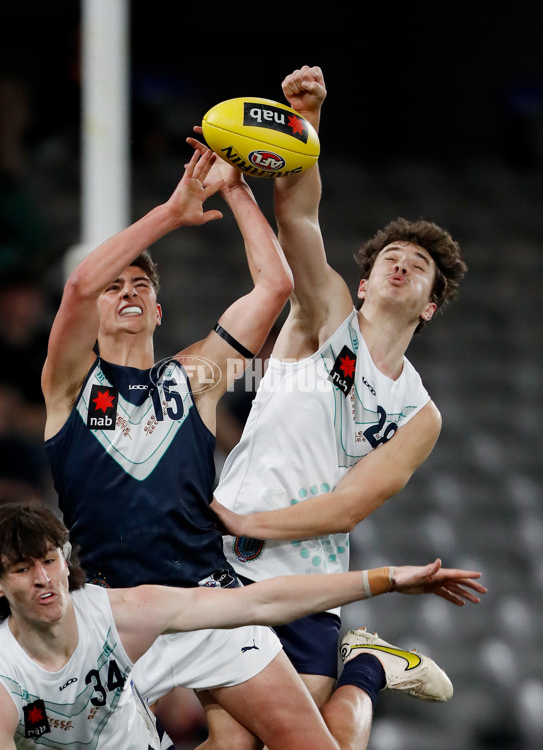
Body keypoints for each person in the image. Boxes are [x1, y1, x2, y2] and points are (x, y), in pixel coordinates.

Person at [43, 143, 345, 750]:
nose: (126, 292)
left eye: (140, 286)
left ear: (158, 310)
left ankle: (366, 670)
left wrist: (235, 188)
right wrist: (174, 211)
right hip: (114, 615)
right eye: (115, 287)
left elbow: (276, 284)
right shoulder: (69, 385)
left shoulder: (195, 379)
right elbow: (78, 285)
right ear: (97, 308)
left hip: (209, 600)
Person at [210, 65, 469, 749]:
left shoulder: (421, 415)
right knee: (235, 743)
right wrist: (305, 126)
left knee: (330, 741)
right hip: (235, 563)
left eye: (418, 264)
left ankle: (369, 668)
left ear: (431, 304)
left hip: (312, 581)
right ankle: (372, 666)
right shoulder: (324, 316)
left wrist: (251, 519)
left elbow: (351, 506)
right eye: (391, 253)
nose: (401, 263)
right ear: (361, 282)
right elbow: (297, 215)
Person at [0, 501, 485, 750]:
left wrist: (387, 579)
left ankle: (367, 666)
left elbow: (259, 603)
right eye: (23, 569)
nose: (44, 579)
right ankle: (368, 666)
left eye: (49, 560)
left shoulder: (116, 614)